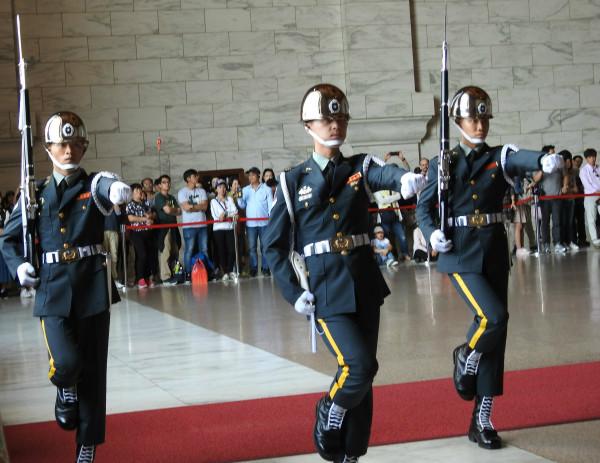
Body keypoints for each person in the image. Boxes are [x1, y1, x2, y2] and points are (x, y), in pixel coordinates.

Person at [264, 83, 423, 463]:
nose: (334, 124)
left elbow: (382, 174)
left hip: (365, 282)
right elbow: (273, 246)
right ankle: (329, 411)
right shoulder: (292, 181)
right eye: (326, 118)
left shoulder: (359, 166)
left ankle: (351, 455)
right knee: (359, 365)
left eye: (340, 118)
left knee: (364, 377)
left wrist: (402, 179)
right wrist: (292, 292)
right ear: (308, 125)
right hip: (324, 288)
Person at [416, 86, 564, 450]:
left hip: (493, 250)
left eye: (484, 118)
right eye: (472, 118)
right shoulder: (443, 163)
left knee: (497, 336)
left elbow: (518, 158)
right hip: (459, 251)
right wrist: (432, 234)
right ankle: (465, 354)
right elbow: (423, 209)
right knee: (493, 318)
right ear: (458, 121)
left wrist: (542, 160)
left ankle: (481, 417)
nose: (479, 124)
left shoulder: (499, 156)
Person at [0, 111, 131, 463]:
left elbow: (106, 185)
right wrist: (19, 266)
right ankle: (64, 388)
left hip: (92, 289)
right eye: (61, 144)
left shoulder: (93, 185)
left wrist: (116, 189)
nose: (68, 151)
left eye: (75, 144)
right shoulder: (35, 193)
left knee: (94, 372)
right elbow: (8, 240)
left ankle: (86, 446)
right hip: (53, 289)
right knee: (68, 363)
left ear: (84, 146)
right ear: (48, 149)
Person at [238, 166, 273, 277]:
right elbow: (242, 205)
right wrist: (239, 197)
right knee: (252, 248)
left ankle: (265, 268)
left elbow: (271, 206)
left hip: (265, 224)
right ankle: (253, 268)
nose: (250, 177)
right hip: (251, 224)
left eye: (253, 175)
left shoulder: (266, 189)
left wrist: (271, 221)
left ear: (258, 175)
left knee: (265, 247)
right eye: (249, 175)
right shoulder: (245, 190)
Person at [177, 169, 209, 279]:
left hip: (202, 225)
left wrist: (193, 207)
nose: (197, 178)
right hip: (189, 226)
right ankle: (188, 273)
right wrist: (197, 206)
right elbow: (186, 208)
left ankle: (205, 272)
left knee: (204, 249)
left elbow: (204, 207)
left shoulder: (202, 191)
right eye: (194, 176)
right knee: (189, 250)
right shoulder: (182, 192)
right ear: (188, 179)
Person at [126, 184, 157, 288]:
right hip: (136, 233)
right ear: (132, 193)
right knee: (142, 254)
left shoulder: (146, 203)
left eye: (140, 190)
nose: (140, 192)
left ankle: (148, 277)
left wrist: (150, 219)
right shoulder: (130, 204)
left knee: (149, 255)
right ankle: (140, 278)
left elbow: (151, 215)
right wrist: (145, 219)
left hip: (148, 232)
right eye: (137, 190)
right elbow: (131, 218)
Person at [154, 174, 182, 284]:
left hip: (173, 225)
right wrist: (173, 210)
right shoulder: (159, 197)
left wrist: (172, 210)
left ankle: (175, 273)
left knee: (175, 251)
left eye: (168, 182)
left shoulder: (171, 198)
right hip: (164, 227)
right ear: (160, 185)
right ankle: (165, 277)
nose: (167, 184)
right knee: (165, 251)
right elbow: (168, 211)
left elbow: (179, 211)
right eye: (164, 182)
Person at [210, 179, 238, 280]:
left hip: (229, 227)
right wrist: (228, 214)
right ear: (216, 189)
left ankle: (230, 270)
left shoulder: (229, 199)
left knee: (231, 250)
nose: (222, 189)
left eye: (224, 187)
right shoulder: (213, 201)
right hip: (218, 229)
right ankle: (224, 272)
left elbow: (235, 212)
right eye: (220, 187)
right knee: (221, 251)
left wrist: (226, 214)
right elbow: (217, 217)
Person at [539, 145, 565, 253]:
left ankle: (557, 244)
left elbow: (566, 175)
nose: (554, 155)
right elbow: (535, 179)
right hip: (544, 198)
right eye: (551, 153)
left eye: (555, 153)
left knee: (557, 221)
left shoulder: (559, 164)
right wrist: (542, 170)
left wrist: (565, 186)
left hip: (557, 197)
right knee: (545, 222)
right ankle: (546, 245)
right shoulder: (540, 165)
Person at [579, 148, 600, 248]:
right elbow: (586, 185)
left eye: (594, 156)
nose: (593, 159)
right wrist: (596, 191)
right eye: (590, 157)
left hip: (599, 194)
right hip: (590, 195)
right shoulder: (583, 170)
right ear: (587, 158)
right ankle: (595, 241)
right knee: (591, 218)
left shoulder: (598, 168)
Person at [559, 150, 579, 251]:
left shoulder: (572, 172)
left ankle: (572, 241)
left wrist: (568, 189)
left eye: (568, 160)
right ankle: (563, 242)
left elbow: (576, 189)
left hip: (571, 200)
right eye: (565, 160)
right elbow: (560, 189)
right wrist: (566, 189)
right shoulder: (559, 173)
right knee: (563, 222)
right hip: (561, 201)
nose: (568, 163)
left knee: (571, 222)